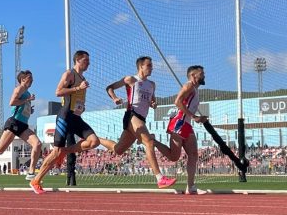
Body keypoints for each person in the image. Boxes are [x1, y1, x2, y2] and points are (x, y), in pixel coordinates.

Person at [99, 56, 176, 189]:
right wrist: (115, 98)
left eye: (151, 65)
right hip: (131, 115)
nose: (152, 68)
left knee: (118, 150)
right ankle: (160, 178)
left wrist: (153, 103)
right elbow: (109, 88)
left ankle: (96, 138)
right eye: (149, 65)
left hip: (142, 118)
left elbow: (152, 101)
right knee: (149, 142)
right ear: (141, 67)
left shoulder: (152, 84)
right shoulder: (131, 79)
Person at [29, 50, 100, 194]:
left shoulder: (82, 77)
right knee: (56, 152)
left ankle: (65, 152)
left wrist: (81, 106)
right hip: (65, 116)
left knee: (94, 141)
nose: (89, 63)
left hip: (76, 117)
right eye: (86, 60)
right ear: (78, 60)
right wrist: (77, 88)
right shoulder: (69, 74)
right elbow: (58, 92)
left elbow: (77, 98)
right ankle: (36, 180)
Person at [153, 65, 209, 195]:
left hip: (187, 124)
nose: (204, 75)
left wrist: (198, 118)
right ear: (193, 76)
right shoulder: (188, 86)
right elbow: (177, 102)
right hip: (179, 122)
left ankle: (191, 186)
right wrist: (194, 116)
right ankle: (153, 141)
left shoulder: (195, 89)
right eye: (201, 74)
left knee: (193, 155)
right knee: (174, 157)